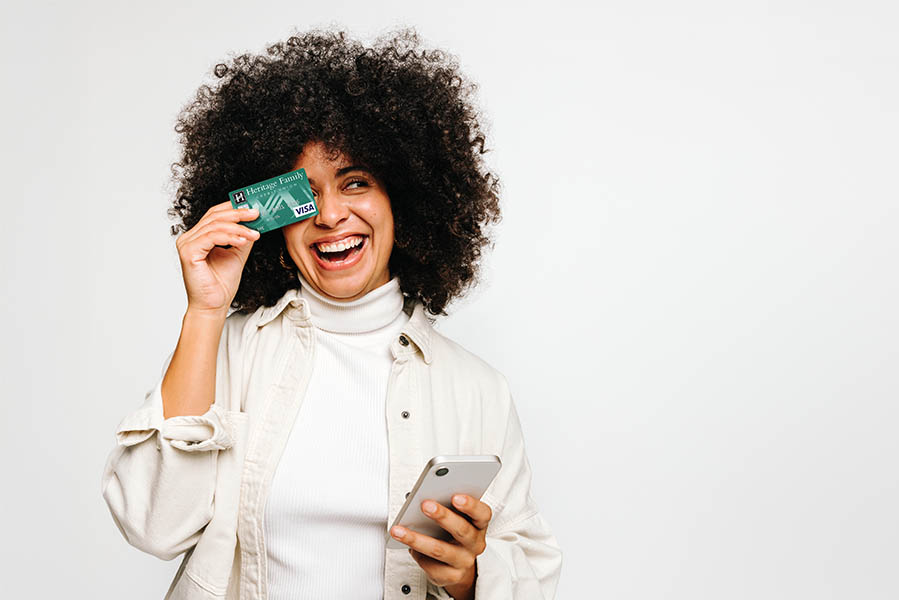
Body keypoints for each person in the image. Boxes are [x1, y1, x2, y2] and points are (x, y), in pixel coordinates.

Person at [100, 26, 562, 600]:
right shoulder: (227, 350)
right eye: (306, 194)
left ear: (405, 201)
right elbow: (153, 528)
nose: (331, 215)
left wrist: (469, 577)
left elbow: (534, 577)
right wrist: (204, 312)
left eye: (356, 182)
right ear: (273, 217)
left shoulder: (477, 389)